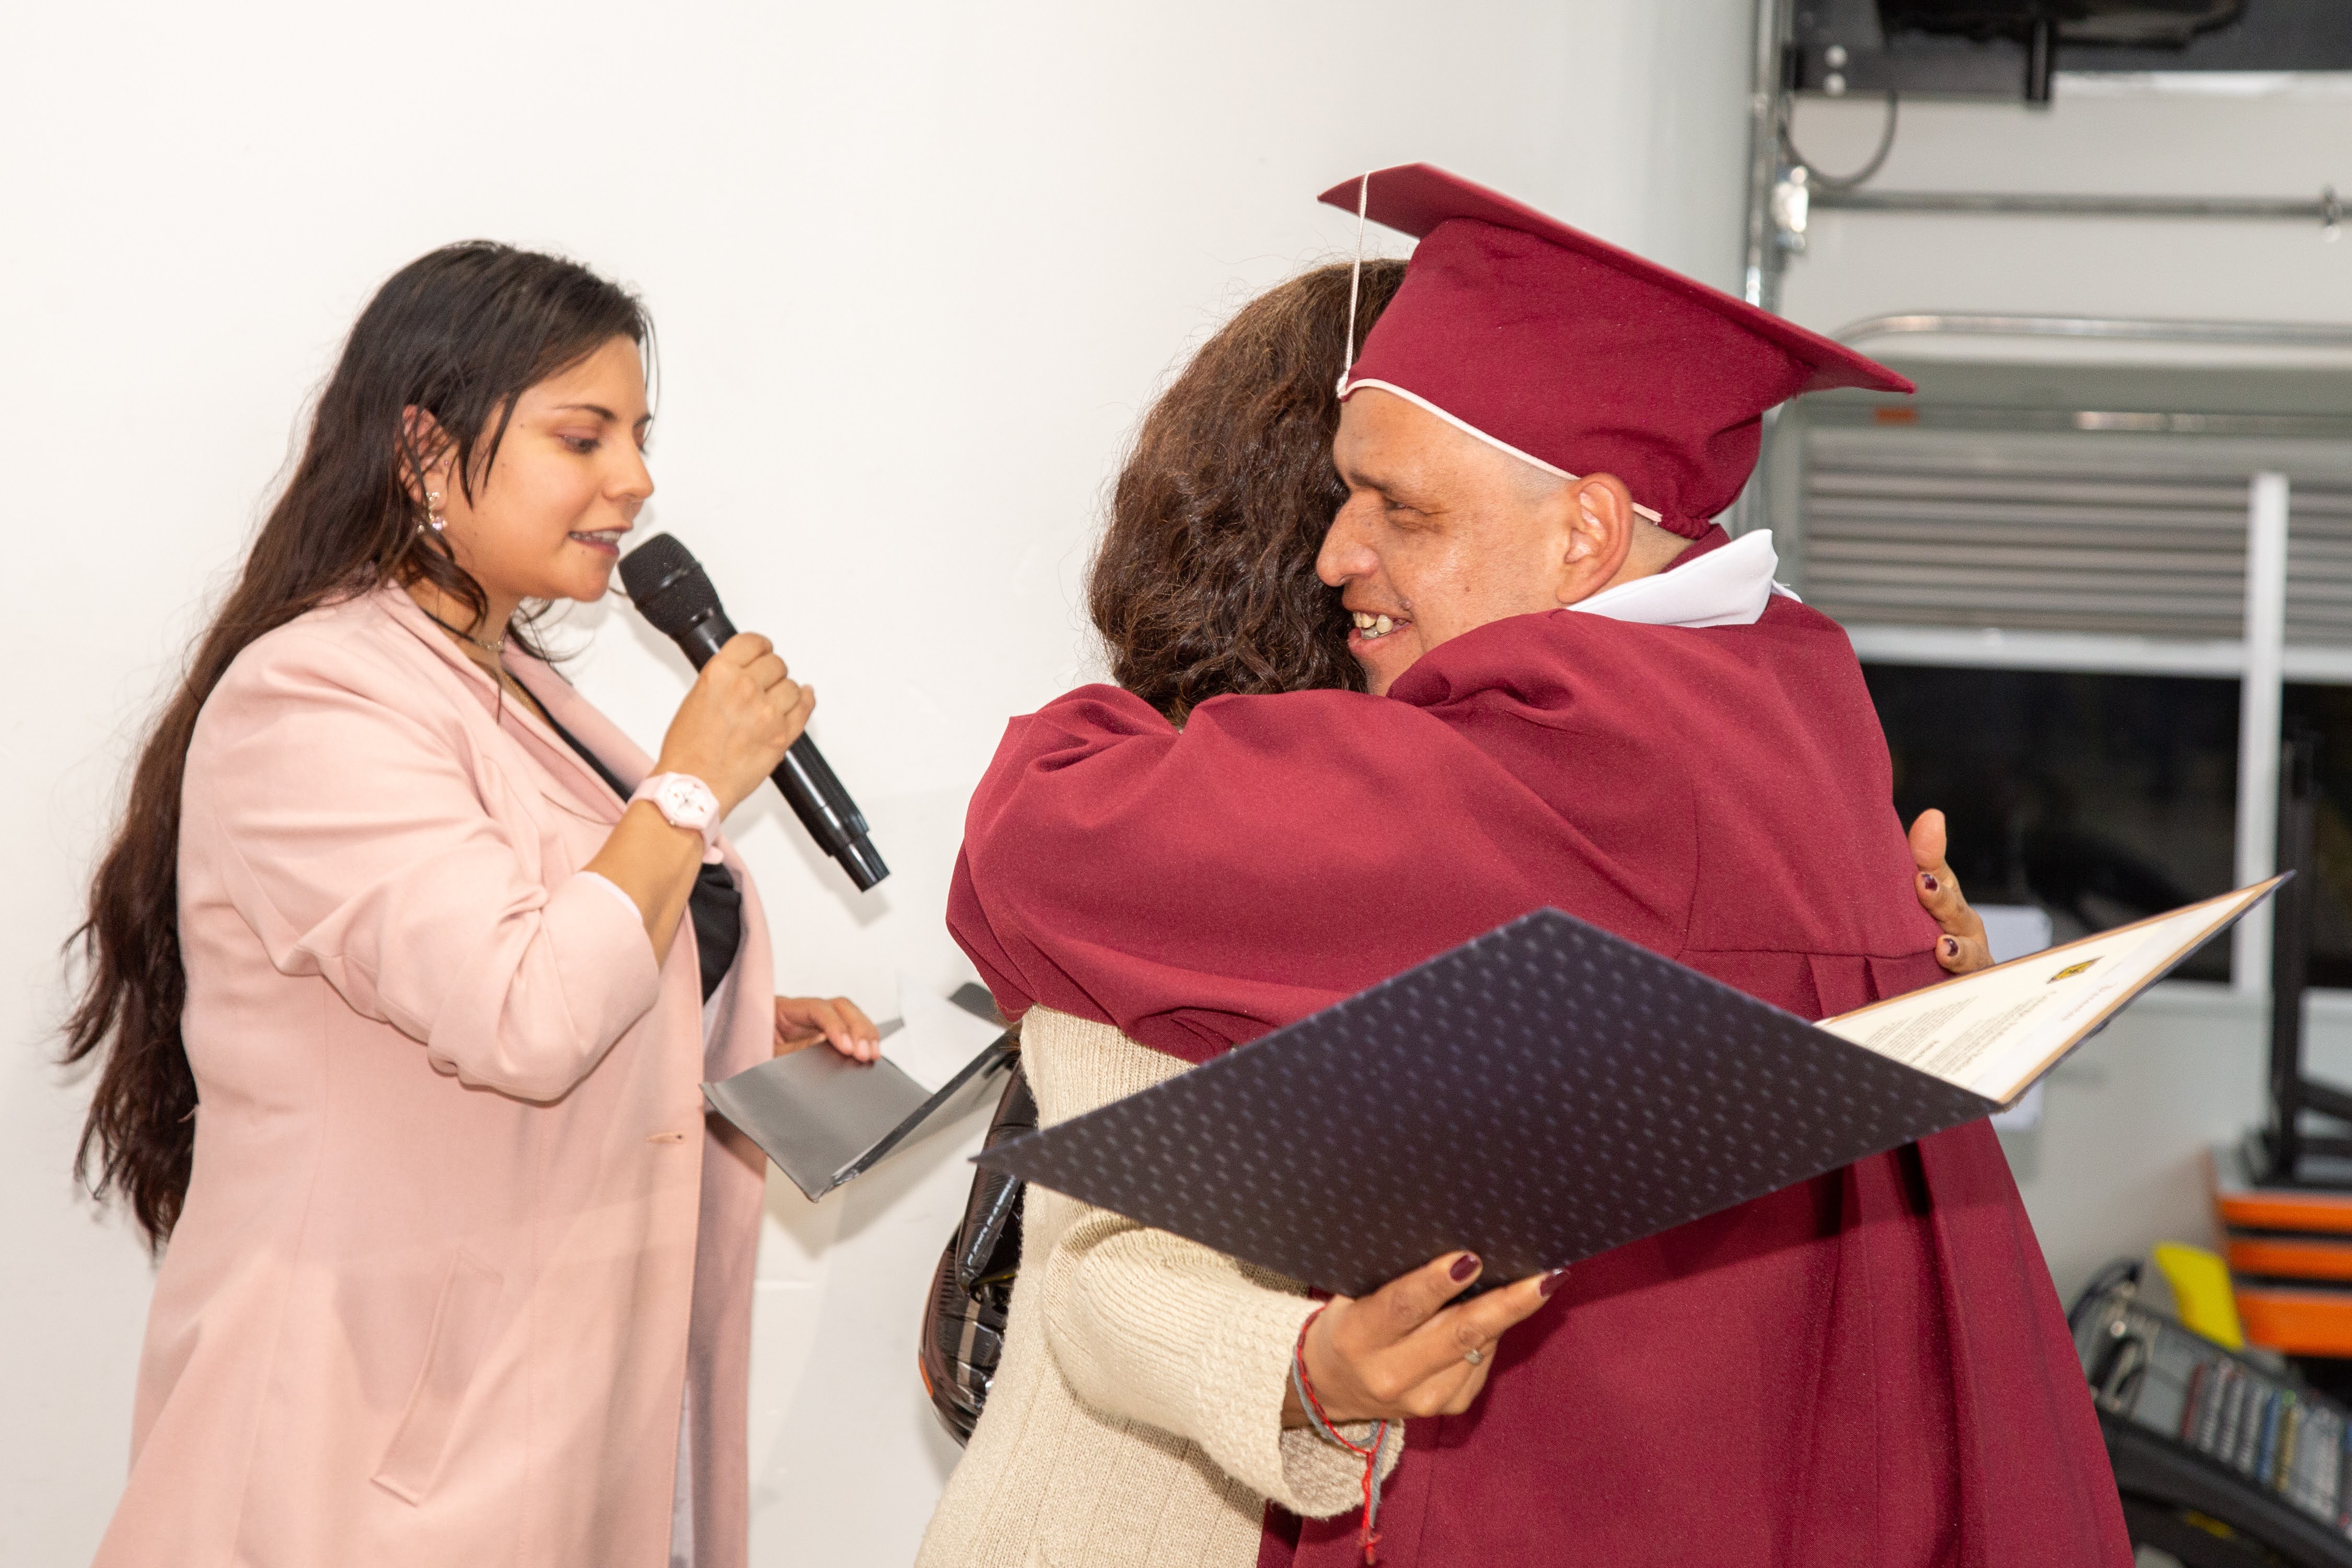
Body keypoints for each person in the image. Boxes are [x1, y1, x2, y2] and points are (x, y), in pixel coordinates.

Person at [920, 201, 2036, 1568]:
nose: (1339, 553)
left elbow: (1032, 848)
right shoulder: (1797, 703)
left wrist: (1101, 733)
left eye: (1398, 505)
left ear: (1582, 532)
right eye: (1337, 497)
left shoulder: (1579, 752)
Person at [63, 242, 878, 1568]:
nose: (637, 480)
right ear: (426, 452)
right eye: (584, 436)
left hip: (555, 1420)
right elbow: (525, 1016)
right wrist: (687, 787)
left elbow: (556, 949)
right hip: (369, 1456)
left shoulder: (518, 683)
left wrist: (720, 1025)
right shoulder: (313, 698)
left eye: (640, 435)